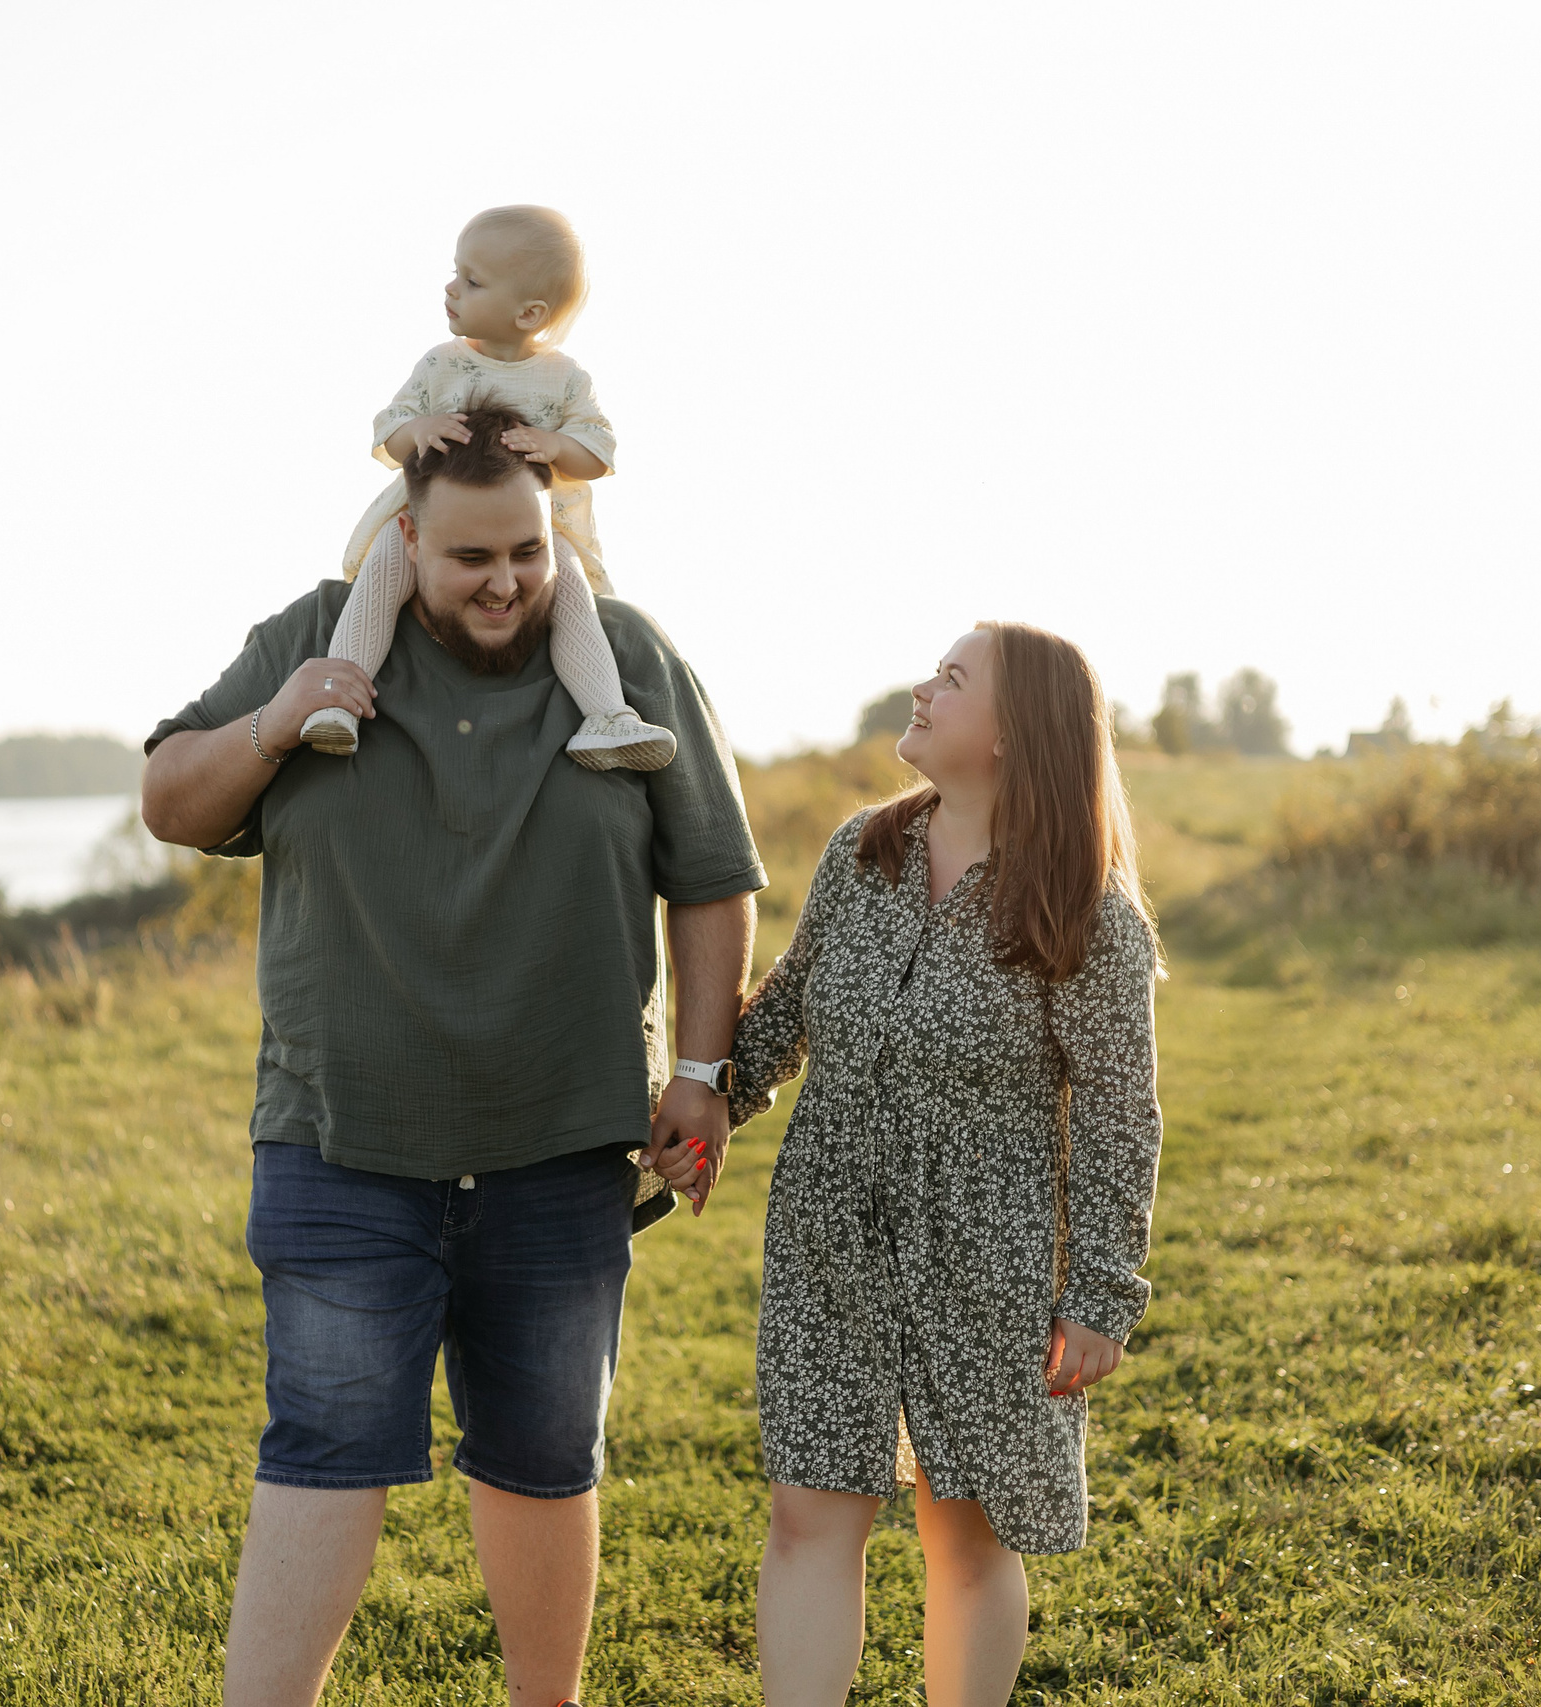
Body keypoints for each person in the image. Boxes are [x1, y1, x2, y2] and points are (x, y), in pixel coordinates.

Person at [138, 398, 763, 1707]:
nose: (506, 582)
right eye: (472, 557)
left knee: (545, 1457)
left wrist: (700, 1075)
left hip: (562, 1144)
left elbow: (711, 877)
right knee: (322, 1446)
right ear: (406, 540)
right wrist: (276, 720)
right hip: (340, 1138)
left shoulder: (628, 657)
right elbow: (171, 799)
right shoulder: (314, 634)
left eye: (527, 553)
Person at [659, 622, 1163, 1706]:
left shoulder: (1084, 912)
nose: (923, 691)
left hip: (989, 1252)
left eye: (951, 679)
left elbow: (1122, 1114)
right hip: (827, 1231)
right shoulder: (863, 852)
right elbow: (790, 1004)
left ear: (1011, 732)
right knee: (808, 1513)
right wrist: (706, 1103)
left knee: (965, 1534)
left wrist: (1101, 1297)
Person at [297, 203, 677, 772]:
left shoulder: (564, 378)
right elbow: (388, 430)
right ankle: (337, 698)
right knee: (383, 571)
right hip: (428, 524)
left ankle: (607, 716)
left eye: (472, 281)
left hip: (538, 532)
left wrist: (555, 445)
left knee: (568, 588)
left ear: (529, 313)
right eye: (456, 272)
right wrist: (418, 429)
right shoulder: (440, 366)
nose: (451, 288)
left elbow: (599, 451)